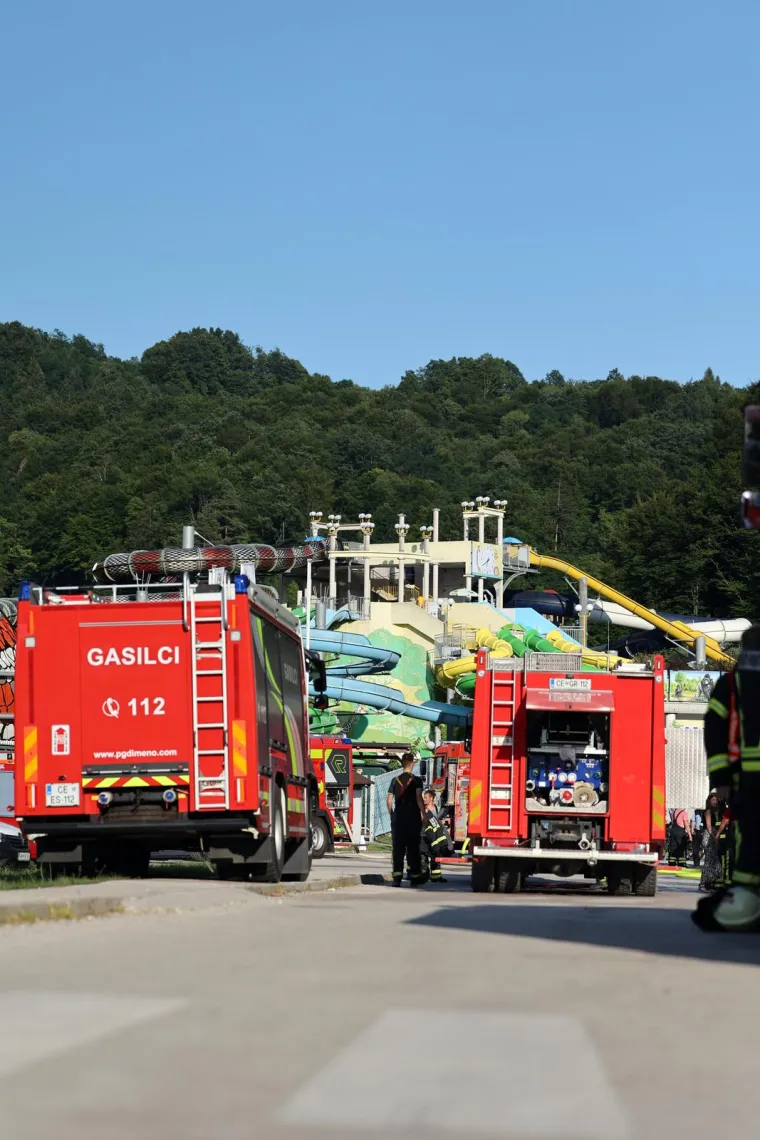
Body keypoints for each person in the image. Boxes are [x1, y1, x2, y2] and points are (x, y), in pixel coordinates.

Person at [694, 626, 760, 931]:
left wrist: (721, 779)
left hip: (744, 779)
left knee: (748, 840)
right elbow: (716, 731)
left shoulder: (731, 684)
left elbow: (716, 733)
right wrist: (721, 779)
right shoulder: (731, 685)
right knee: (748, 839)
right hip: (746, 781)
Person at [386, 753, 425, 887]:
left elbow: (389, 800)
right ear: (412, 763)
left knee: (398, 848)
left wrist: (392, 814)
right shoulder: (417, 780)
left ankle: (397, 878)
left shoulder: (394, 780)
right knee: (413, 847)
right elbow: (419, 798)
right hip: (413, 817)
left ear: (402, 763)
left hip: (399, 818)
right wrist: (424, 815)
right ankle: (414, 877)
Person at [420, 788, 453, 883]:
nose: (425, 799)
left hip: (435, 837)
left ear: (431, 798)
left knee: (435, 856)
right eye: (424, 798)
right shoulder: (423, 809)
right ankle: (423, 876)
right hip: (425, 836)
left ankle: (436, 876)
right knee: (424, 856)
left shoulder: (434, 808)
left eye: (426, 798)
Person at [700, 792, 725, 892]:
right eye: (713, 800)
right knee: (709, 862)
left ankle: (711, 883)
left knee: (714, 862)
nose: (715, 802)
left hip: (714, 837)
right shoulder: (708, 811)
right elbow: (709, 827)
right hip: (709, 838)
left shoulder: (718, 811)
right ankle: (705, 884)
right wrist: (715, 837)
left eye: (716, 800)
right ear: (709, 801)